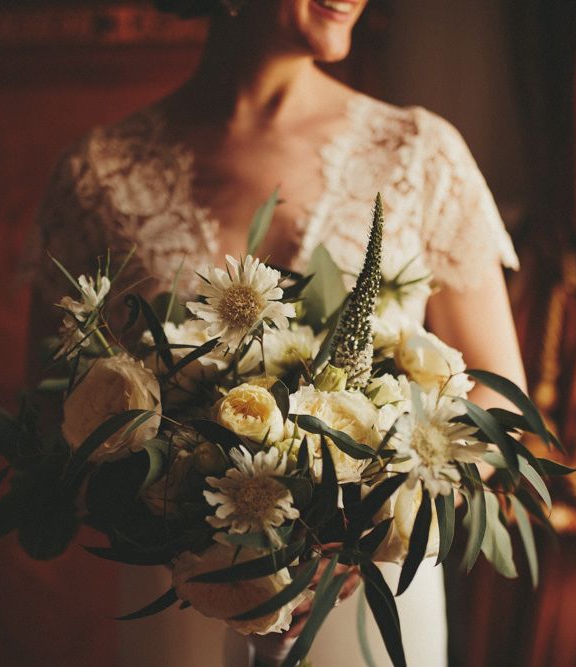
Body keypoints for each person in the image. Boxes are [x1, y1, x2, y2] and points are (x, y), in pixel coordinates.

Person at [27, 1, 526, 664]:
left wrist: (369, 516)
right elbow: (44, 416)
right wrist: (164, 507)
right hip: (180, 604)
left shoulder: (419, 152)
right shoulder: (98, 174)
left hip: (365, 600)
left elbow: (500, 409)